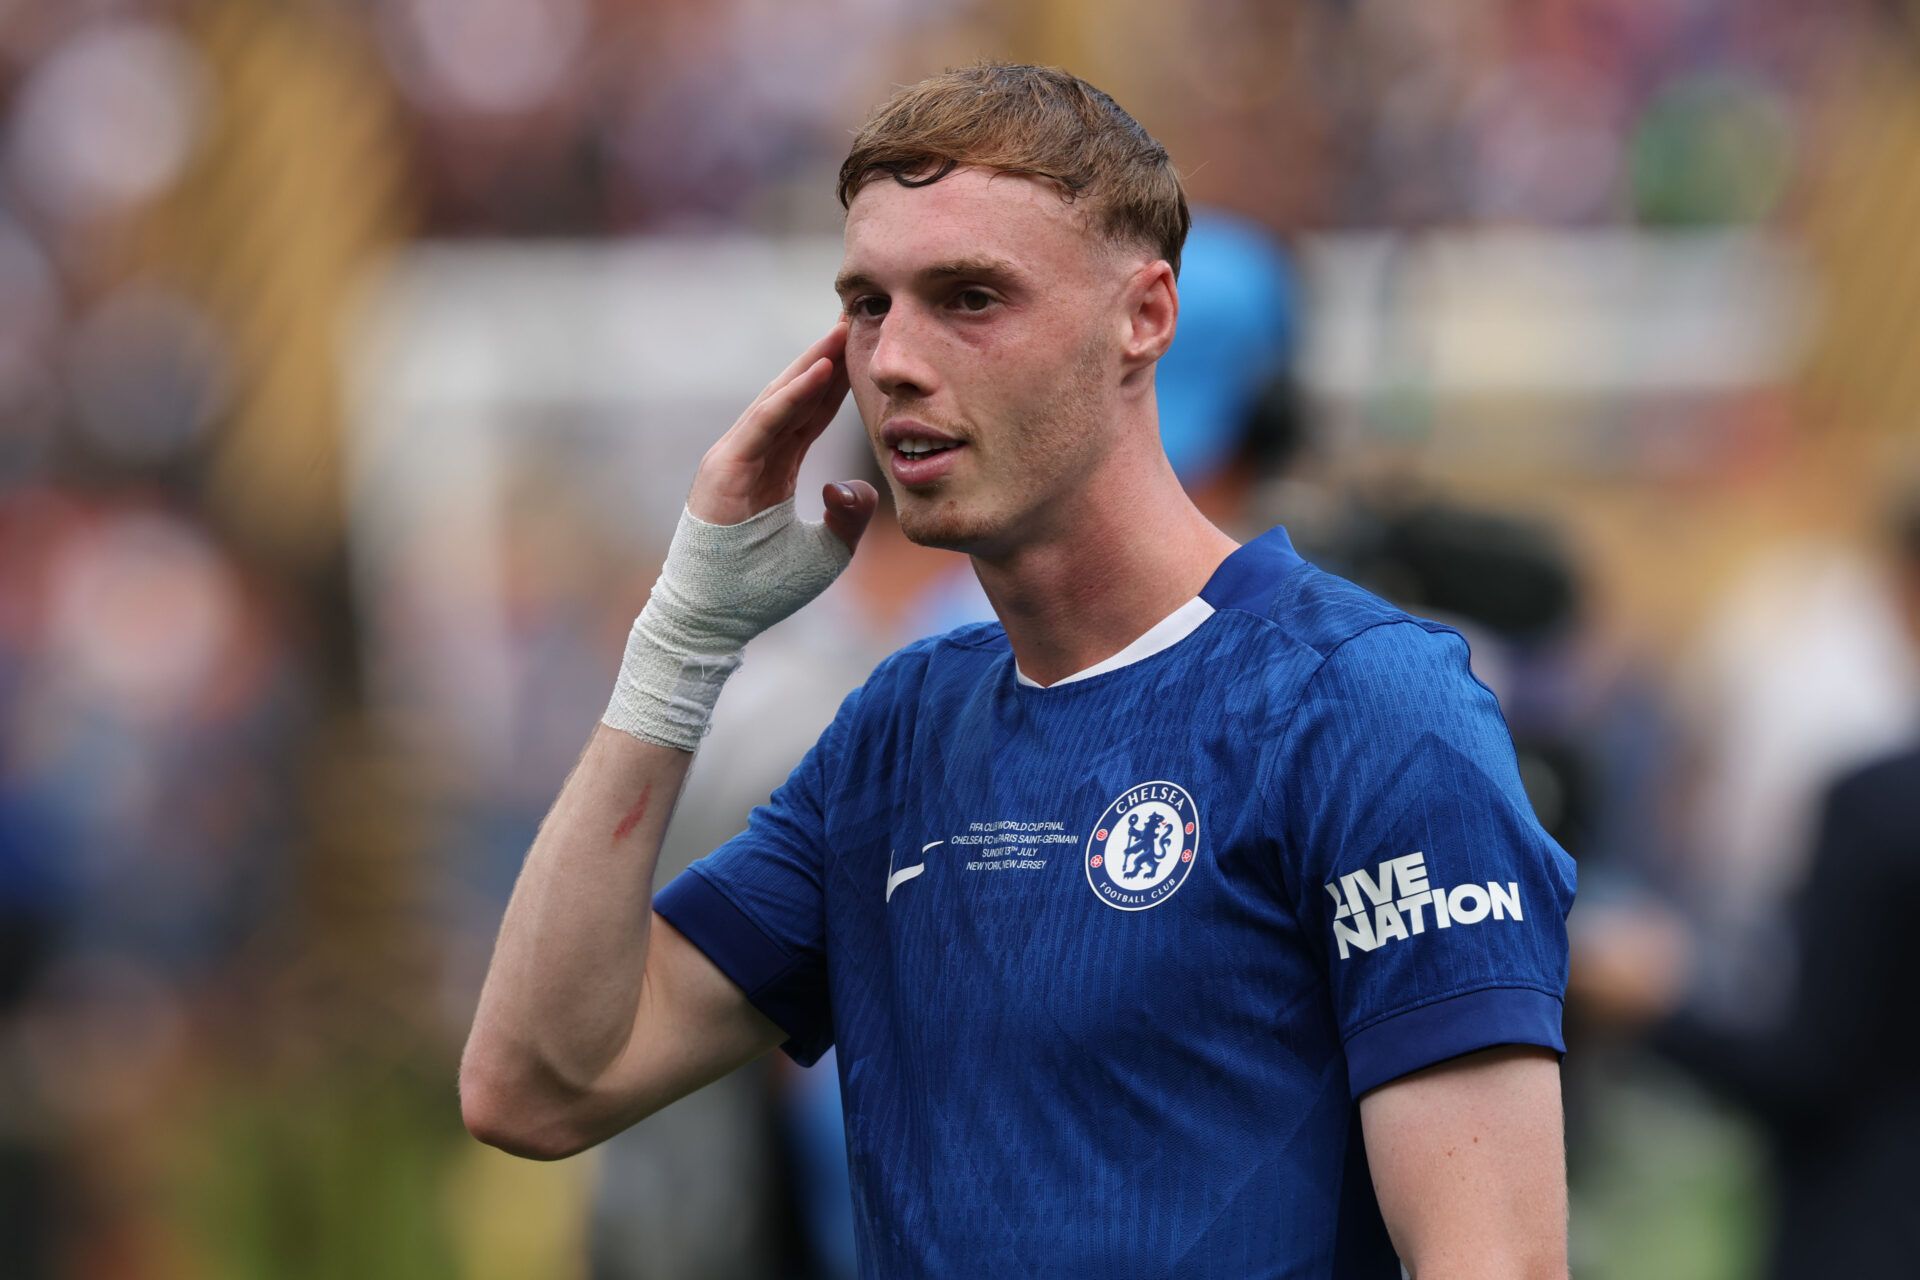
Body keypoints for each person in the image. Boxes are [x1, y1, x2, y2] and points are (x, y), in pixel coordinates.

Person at [461, 62, 1576, 1277]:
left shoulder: (1370, 707)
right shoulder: (896, 730)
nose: (893, 360)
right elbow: (536, 1084)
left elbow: (1495, 1261)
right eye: (869, 305)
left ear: (1145, 317)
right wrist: (681, 638)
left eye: (970, 297)